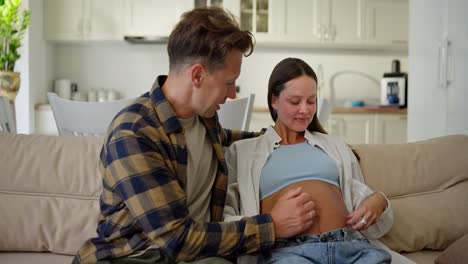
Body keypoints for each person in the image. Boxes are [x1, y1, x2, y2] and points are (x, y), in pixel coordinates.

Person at [73, 8, 316, 264]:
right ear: (198, 75)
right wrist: (273, 226)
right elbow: (177, 239)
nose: (232, 94)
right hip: (135, 256)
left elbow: (226, 140)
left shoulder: (203, 117)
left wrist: (284, 137)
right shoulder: (133, 133)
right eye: (229, 82)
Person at [223, 58, 395, 264]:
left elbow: (362, 202)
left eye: (311, 101)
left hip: (351, 247)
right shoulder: (243, 152)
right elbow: (225, 220)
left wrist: (380, 201)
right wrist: (270, 225)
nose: (305, 110)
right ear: (274, 101)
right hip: (289, 253)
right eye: (295, 102)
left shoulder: (335, 146)